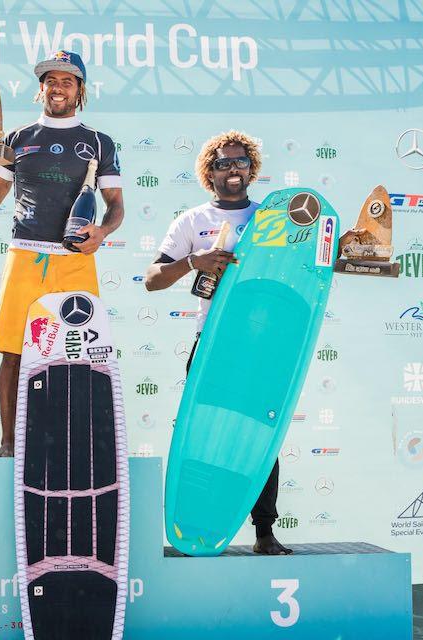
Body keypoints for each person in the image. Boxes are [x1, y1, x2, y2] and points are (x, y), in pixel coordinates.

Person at [0, 50, 124, 457]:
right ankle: (8, 443)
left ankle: (80, 444)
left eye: (67, 80)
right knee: (12, 351)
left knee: (80, 352)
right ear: (40, 87)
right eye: (50, 79)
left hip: (75, 256)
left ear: (81, 90)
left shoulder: (99, 142)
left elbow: (115, 205)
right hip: (25, 254)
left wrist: (103, 231)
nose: (58, 87)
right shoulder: (17, 139)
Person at [144, 130, 292, 555]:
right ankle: (199, 529)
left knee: (263, 437)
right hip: (212, 346)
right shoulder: (192, 221)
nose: (233, 169)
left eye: (241, 162)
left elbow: (307, 267)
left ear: (252, 168)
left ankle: (265, 533)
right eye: (224, 163)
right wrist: (196, 261)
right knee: (205, 436)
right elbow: (153, 280)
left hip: (262, 348)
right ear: (209, 172)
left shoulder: (274, 220)